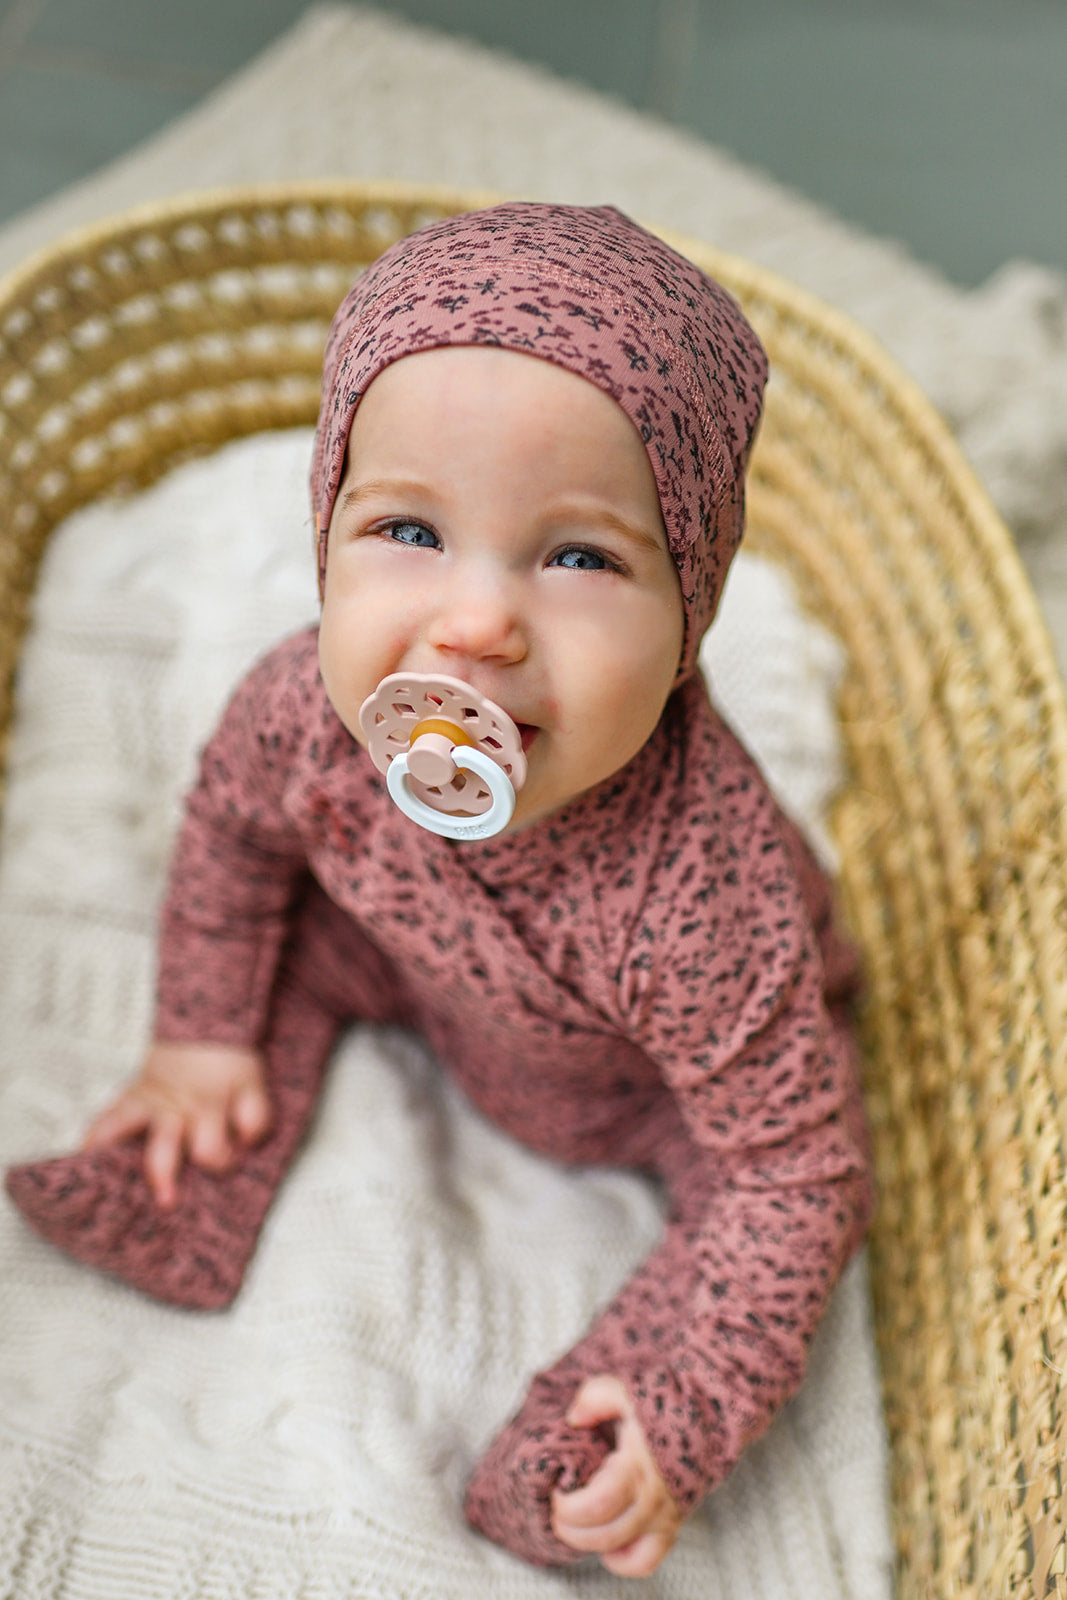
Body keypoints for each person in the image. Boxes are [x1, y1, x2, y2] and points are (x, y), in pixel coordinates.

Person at [6, 202, 873, 1577]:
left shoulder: (703, 891)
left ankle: (621, 1424)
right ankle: (191, 1172)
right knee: (293, 942)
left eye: (579, 556)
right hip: (412, 958)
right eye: (408, 530)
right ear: (326, 532)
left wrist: (694, 1404)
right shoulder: (305, 713)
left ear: (692, 608)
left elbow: (793, 1168)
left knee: (774, 1215)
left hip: (649, 1087)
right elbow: (233, 842)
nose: (475, 624)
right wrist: (200, 1032)